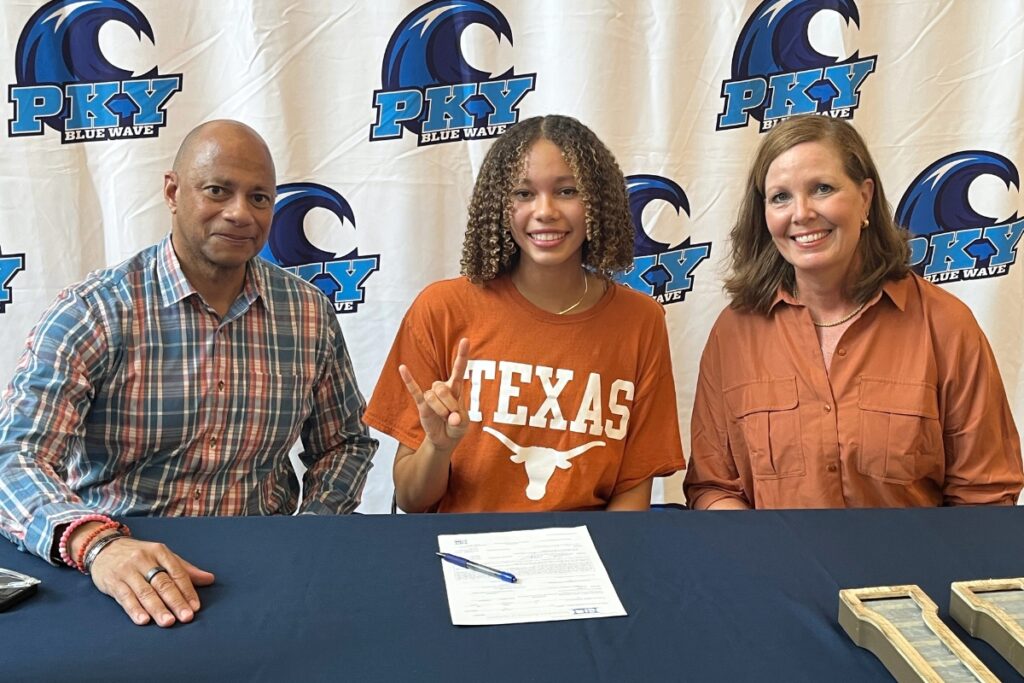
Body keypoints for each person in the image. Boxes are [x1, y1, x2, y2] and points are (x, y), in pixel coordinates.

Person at [0, 120, 377, 626]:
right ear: (173, 192)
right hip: (117, 569)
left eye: (259, 198)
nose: (240, 213)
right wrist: (97, 544)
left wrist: (312, 529)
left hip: (266, 568)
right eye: (218, 190)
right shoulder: (95, 311)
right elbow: (14, 458)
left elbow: (345, 443)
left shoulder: (308, 313)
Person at [683, 115, 1022, 509]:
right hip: (771, 553)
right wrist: (761, 547)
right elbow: (713, 487)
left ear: (865, 197)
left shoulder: (945, 326)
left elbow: (984, 495)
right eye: (780, 197)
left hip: (918, 553)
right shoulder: (734, 333)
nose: (801, 213)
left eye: (822, 188)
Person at [364, 115, 685, 513]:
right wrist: (438, 447)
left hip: (587, 549)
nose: (545, 210)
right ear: (499, 205)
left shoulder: (640, 321)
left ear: (598, 202)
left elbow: (633, 490)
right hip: (465, 547)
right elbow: (411, 499)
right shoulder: (442, 309)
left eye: (567, 191)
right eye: (523, 193)